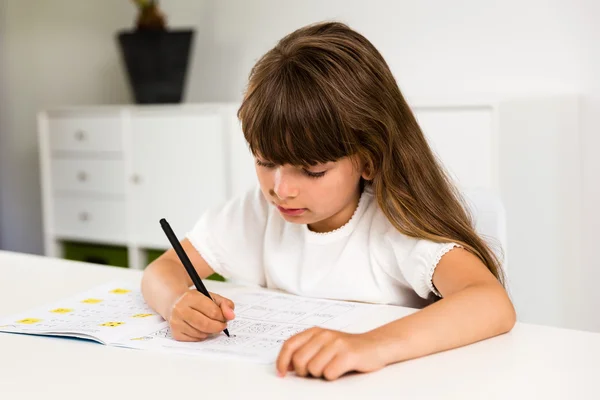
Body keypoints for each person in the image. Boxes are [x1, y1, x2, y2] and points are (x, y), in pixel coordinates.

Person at [141, 21, 516, 381]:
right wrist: (176, 302)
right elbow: (164, 268)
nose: (281, 188)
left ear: (368, 160)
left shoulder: (393, 226)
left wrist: (368, 347)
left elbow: (490, 302)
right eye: (265, 161)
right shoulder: (254, 214)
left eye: (312, 170)